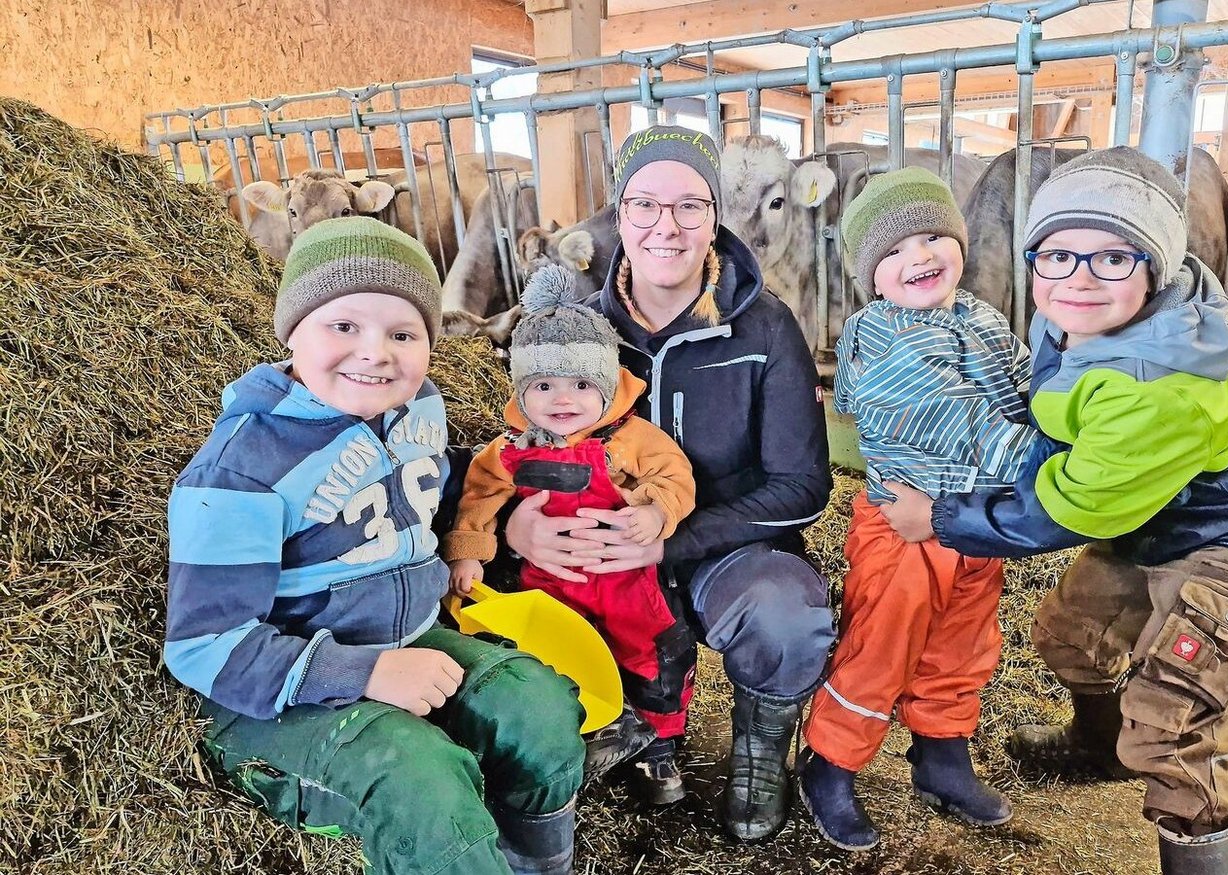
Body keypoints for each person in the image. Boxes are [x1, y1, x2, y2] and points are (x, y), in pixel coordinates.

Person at [879, 147, 1228, 875]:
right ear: (1035, 260)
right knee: (1072, 634)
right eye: (1057, 254)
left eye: (1114, 257)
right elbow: (1059, 428)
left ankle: (1193, 832)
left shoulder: (1156, 384)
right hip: (1148, 510)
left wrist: (945, 516)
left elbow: (1067, 508)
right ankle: (1099, 748)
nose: (1079, 277)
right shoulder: (1074, 321)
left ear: (1156, 266)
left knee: (1173, 727)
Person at [163, 217, 586, 875]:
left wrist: (499, 524)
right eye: (343, 326)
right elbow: (203, 644)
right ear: (293, 328)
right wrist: (365, 674)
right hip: (273, 694)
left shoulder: (418, 406)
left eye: (403, 332)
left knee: (538, 708)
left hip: (404, 635)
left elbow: (421, 497)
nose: (376, 352)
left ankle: (532, 863)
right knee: (423, 784)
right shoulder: (241, 471)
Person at [499, 126, 836, 841]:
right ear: (620, 215)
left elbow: (802, 485)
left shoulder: (766, 329)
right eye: (646, 205)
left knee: (786, 612)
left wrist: (671, 541)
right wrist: (515, 526)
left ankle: (758, 754)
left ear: (714, 218)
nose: (667, 226)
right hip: (597, 540)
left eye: (690, 206)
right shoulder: (577, 333)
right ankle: (614, 729)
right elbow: (513, 443)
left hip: (724, 547)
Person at [797, 168, 1033, 850]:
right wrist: (1041, 460)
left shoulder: (984, 319)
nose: (920, 258)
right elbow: (949, 419)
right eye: (895, 252)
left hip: (972, 520)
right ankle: (831, 763)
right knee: (882, 642)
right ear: (871, 275)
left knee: (963, 642)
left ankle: (941, 757)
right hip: (903, 526)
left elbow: (1023, 390)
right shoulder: (878, 335)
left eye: (933, 237)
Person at [442, 265, 697, 805]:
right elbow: (480, 494)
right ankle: (587, 735)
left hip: (624, 577)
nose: (564, 399)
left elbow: (674, 477)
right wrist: (470, 552)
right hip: (551, 582)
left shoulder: (630, 438)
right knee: (557, 656)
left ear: (606, 384)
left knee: (652, 651)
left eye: (582, 383)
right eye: (543, 385)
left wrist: (654, 513)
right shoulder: (510, 448)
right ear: (520, 389)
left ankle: (658, 748)